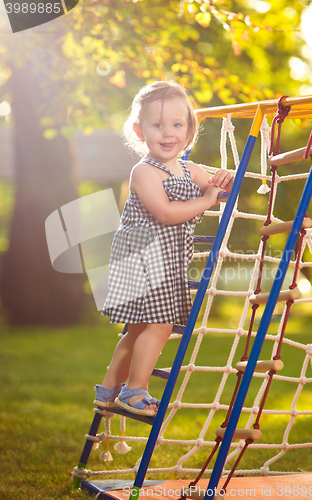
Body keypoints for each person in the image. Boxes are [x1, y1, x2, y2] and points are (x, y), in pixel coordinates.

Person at [94, 81, 233, 417]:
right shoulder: (144, 171)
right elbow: (166, 213)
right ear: (140, 131)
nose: (167, 133)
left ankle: (110, 388)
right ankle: (135, 391)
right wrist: (205, 200)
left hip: (166, 261)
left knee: (140, 326)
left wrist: (224, 183)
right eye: (157, 125)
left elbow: (218, 190)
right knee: (160, 324)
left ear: (189, 130)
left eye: (176, 124)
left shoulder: (191, 169)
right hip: (143, 258)